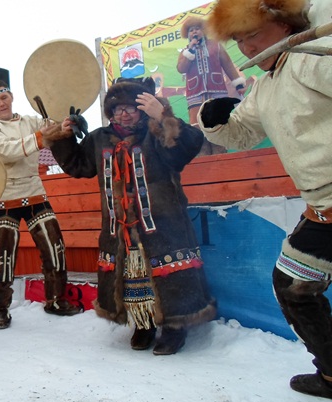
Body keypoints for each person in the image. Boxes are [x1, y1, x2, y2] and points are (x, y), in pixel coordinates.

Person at [197, 0, 332, 398]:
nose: (247, 49)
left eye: (252, 34)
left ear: (284, 21)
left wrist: (314, 12)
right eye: (239, 40)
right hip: (323, 211)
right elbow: (240, 132)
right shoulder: (267, 85)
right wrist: (216, 118)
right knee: (292, 284)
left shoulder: (314, 56)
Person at [43, 77, 217, 355]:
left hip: (162, 223)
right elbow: (79, 166)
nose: (123, 113)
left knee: (169, 274)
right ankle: (143, 322)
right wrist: (62, 138)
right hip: (119, 228)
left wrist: (163, 116)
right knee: (133, 277)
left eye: (130, 107)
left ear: (143, 107)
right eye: (116, 109)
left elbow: (186, 148)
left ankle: (174, 327)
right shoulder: (100, 138)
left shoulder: (155, 132)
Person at [0, 80, 82, 329]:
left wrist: (66, 126)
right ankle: (0, 308)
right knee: (3, 252)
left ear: (11, 97)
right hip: (4, 194)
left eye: (4, 97)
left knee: (53, 244)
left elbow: (53, 129)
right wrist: (41, 137)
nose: (1, 103)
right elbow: (3, 150)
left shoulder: (31, 121)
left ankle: (56, 300)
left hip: (34, 191)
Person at [176, 16, 247, 156]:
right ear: (187, 35)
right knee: (198, 129)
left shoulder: (215, 45)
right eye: (191, 30)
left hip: (217, 92)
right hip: (195, 95)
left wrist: (237, 83)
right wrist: (190, 51)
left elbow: (228, 64)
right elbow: (181, 69)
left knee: (218, 127)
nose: (194, 32)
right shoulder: (185, 51)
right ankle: (204, 162)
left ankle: (221, 159)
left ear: (203, 31)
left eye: (197, 29)